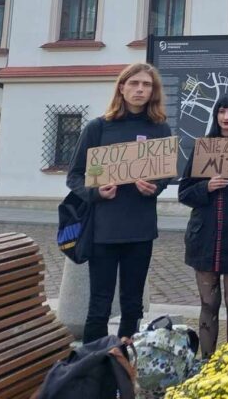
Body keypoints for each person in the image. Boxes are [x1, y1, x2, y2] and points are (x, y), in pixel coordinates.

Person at [67, 62, 173, 343]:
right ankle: (94, 360)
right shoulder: (98, 127)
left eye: (146, 84)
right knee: (99, 304)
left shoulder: (160, 129)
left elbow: (165, 175)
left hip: (140, 230)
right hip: (104, 230)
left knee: (133, 304)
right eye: (134, 83)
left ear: (153, 91)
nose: (140, 89)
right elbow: (74, 176)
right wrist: (96, 192)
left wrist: (155, 187)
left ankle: (127, 360)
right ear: (122, 88)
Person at [178, 92, 228, 359]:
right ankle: (206, 361)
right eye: (221, 111)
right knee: (208, 303)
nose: (226, 117)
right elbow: (184, 192)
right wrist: (206, 187)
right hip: (205, 238)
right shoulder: (203, 148)